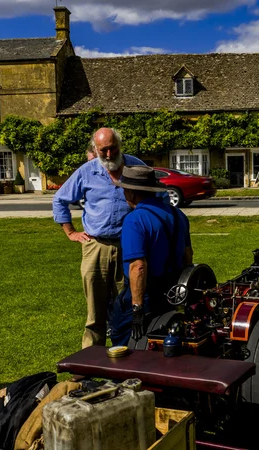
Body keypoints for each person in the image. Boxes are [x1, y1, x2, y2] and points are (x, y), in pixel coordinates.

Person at [52, 128, 146, 348]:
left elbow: (157, 197)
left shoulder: (136, 167)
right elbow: (59, 200)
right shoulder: (86, 172)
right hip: (96, 247)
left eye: (114, 148)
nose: (110, 154)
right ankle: (89, 362)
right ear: (95, 149)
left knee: (127, 304)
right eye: (104, 150)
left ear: (120, 145)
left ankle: (127, 357)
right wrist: (71, 232)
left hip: (129, 247)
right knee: (95, 311)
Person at [109, 166, 193, 347]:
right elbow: (188, 255)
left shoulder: (135, 219)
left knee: (124, 342)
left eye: (124, 190)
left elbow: (138, 266)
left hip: (146, 293)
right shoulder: (179, 215)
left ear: (131, 192)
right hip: (171, 291)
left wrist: (137, 309)